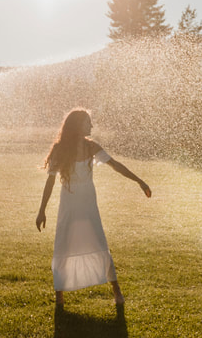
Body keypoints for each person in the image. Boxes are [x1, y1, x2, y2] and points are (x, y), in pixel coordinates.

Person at [36, 109, 151, 306]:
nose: (92, 126)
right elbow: (50, 182)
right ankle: (60, 297)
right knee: (64, 243)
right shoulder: (60, 148)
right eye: (88, 122)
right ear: (77, 125)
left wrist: (139, 181)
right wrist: (41, 210)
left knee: (99, 242)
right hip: (69, 205)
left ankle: (117, 293)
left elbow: (115, 165)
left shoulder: (91, 147)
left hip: (88, 204)